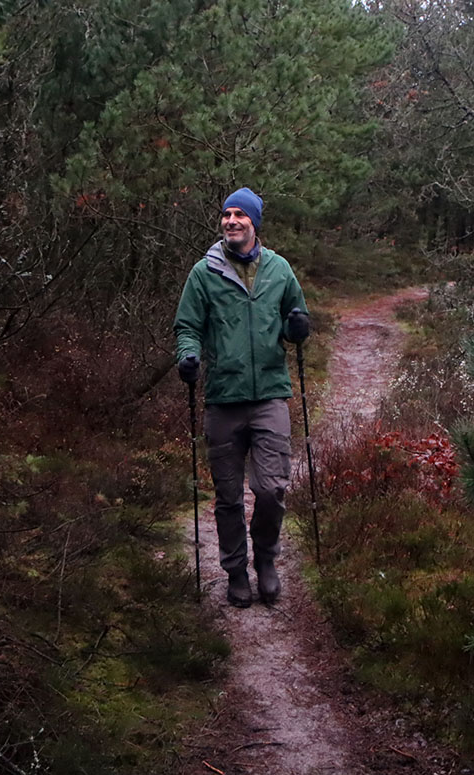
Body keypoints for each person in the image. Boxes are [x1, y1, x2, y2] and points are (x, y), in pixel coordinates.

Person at [173, 187, 309, 608]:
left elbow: (294, 320)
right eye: (227, 214)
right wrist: (188, 355)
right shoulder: (204, 273)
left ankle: (266, 560)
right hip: (223, 398)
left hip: (269, 394)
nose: (231, 220)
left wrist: (298, 328)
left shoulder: (280, 270)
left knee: (271, 489)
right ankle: (235, 571)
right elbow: (187, 326)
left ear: (254, 223)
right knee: (228, 496)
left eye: (240, 215)